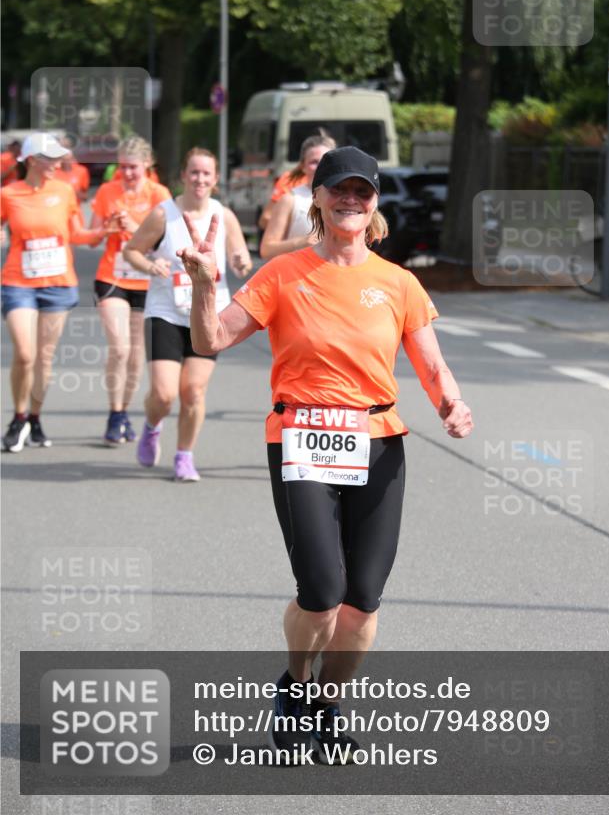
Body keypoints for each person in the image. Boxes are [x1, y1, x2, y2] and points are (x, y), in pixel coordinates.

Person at [181, 145, 474, 762]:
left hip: (378, 442)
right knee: (321, 586)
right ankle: (294, 683)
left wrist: (452, 403)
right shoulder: (283, 275)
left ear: (373, 206)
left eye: (362, 192)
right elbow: (210, 340)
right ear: (315, 197)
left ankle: (327, 703)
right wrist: (206, 284)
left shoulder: (398, 283)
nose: (350, 200)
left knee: (362, 596)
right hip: (302, 439)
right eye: (338, 189)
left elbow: (432, 366)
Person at [123, 147, 252, 481]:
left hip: (208, 315)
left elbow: (241, 258)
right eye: (194, 172)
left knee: (193, 391)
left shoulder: (223, 216)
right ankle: (152, 426)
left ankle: (184, 456)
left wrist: (241, 262)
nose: (200, 179)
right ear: (183, 175)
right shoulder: (163, 215)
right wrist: (151, 265)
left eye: (206, 173)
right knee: (164, 395)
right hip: (165, 312)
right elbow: (132, 250)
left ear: (216, 179)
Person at [0, 132, 109, 452]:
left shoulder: (64, 191)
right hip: (19, 282)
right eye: (51, 158)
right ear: (32, 160)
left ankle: (35, 418)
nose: (58, 163)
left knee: (44, 357)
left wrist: (103, 232)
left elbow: (76, 233)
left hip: (57, 284)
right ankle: (18, 418)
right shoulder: (9, 193)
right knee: (25, 353)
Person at [89, 136, 171, 445]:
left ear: (147, 164)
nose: (127, 174)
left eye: (133, 167)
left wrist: (134, 223)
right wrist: (108, 226)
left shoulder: (159, 194)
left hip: (147, 280)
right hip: (113, 276)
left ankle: (124, 413)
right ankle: (114, 412)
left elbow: (163, 238)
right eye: (122, 167)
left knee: (136, 355)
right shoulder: (108, 191)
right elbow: (96, 236)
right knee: (120, 348)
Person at [259, 133, 335, 259]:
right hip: (299, 275)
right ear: (303, 167)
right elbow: (266, 249)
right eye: (314, 162)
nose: (320, 167)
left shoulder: (349, 198)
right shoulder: (290, 199)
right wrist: (301, 242)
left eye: (325, 161)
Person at [53, 139, 91, 204]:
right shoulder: (51, 172)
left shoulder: (81, 171)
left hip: (74, 212)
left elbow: (85, 197)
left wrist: (71, 191)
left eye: (66, 147)